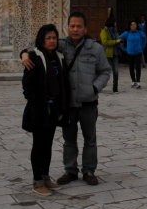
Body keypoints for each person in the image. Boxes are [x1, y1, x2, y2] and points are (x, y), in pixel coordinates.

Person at [21, 12, 111, 185]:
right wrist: (24, 54)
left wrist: (95, 88)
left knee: (90, 138)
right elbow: (37, 45)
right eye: (72, 26)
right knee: (69, 139)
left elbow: (105, 71)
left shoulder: (96, 48)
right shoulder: (61, 44)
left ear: (85, 29)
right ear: (67, 27)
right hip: (68, 104)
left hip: (88, 102)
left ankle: (89, 170)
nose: (75, 29)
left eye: (79, 26)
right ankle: (70, 170)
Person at [21, 24, 70, 195]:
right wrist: (38, 103)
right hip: (39, 110)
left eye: (54, 38)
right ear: (42, 40)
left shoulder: (58, 57)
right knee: (39, 145)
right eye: (48, 38)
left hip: (53, 109)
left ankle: (45, 176)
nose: (52, 41)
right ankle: (37, 181)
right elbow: (27, 86)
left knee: (48, 145)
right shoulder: (34, 57)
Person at [118, 20, 147, 89]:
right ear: (129, 26)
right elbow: (119, 39)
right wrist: (123, 48)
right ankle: (133, 81)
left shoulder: (139, 32)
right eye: (132, 24)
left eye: (135, 24)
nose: (133, 26)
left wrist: (142, 46)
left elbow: (144, 38)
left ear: (136, 26)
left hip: (138, 52)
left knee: (138, 67)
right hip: (129, 52)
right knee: (131, 67)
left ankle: (138, 82)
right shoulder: (127, 33)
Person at [99, 13, 121, 93]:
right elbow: (105, 42)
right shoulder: (104, 31)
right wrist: (115, 41)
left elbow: (118, 37)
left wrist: (119, 40)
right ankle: (99, 86)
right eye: (114, 22)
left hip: (115, 53)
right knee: (105, 72)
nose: (115, 24)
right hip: (107, 54)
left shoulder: (115, 31)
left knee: (116, 71)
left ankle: (115, 88)